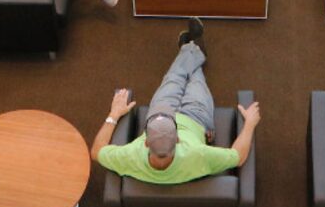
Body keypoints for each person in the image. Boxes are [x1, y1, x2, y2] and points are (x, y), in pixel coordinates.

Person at [91, 18, 260, 183]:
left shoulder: (131, 155)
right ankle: (192, 50)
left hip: (161, 107)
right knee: (196, 79)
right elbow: (238, 156)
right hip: (197, 118)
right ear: (178, 139)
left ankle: (189, 49)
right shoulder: (197, 155)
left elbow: (97, 151)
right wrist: (250, 123)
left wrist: (113, 115)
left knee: (173, 78)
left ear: (146, 143)